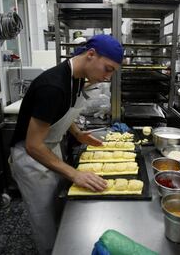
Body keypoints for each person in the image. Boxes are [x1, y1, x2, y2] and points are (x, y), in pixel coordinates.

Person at [10, 34, 123, 255]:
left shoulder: (77, 77)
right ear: (91, 55)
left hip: (49, 148)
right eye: (107, 69)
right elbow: (33, 145)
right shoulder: (53, 86)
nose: (108, 76)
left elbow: (61, 114)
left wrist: (79, 134)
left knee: (57, 208)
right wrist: (74, 174)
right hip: (31, 158)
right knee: (44, 220)